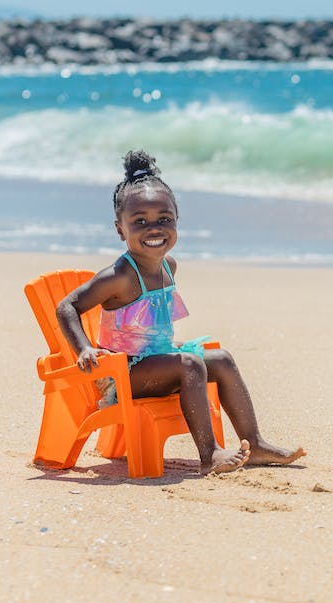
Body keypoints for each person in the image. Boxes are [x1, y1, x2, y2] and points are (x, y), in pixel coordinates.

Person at [56, 150, 306, 475]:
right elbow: (68, 306)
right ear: (120, 229)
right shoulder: (120, 276)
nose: (154, 228)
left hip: (156, 362)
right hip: (123, 375)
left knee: (222, 359)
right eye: (139, 221)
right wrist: (85, 348)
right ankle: (209, 454)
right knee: (189, 364)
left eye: (164, 219)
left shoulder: (168, 266)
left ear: (177, 220)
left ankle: (254, 442)